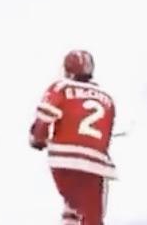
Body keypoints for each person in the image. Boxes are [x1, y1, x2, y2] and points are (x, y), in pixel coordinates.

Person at [30, 50, 117, 225]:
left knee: (74, 204)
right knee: (91, 218)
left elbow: (45, 116)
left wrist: (38, 138)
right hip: (95, 165)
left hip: (62, 162)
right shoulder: (107, 98)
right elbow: (105, 136)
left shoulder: (61, 87)